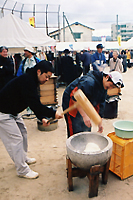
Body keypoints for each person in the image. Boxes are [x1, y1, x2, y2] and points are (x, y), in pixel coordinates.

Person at [0, 60, 63, 179]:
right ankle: (22, 170)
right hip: (3, 112)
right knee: (16, 139)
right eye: (46, 76)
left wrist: (42, 117)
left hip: (13, 111)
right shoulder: (27, 80)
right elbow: (34, 104)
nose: (47, 80)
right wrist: (53, 113)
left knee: (23, 132)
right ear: (39, 72)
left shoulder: (32, 79)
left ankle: (22, 159)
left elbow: (34, 102)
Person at [62, 70, 124, 138]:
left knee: (86, 126)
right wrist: (84, 116)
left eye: (113, 87)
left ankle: (84, 144)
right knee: (75, 128)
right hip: (71, 100)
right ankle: (74, 145)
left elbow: (101, 104)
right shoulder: (89, 82)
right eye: (111, 85)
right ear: (107, 77)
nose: (110, 88)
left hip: (85, 101)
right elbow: (75, 98)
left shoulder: (104, 87)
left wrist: (99, 121)